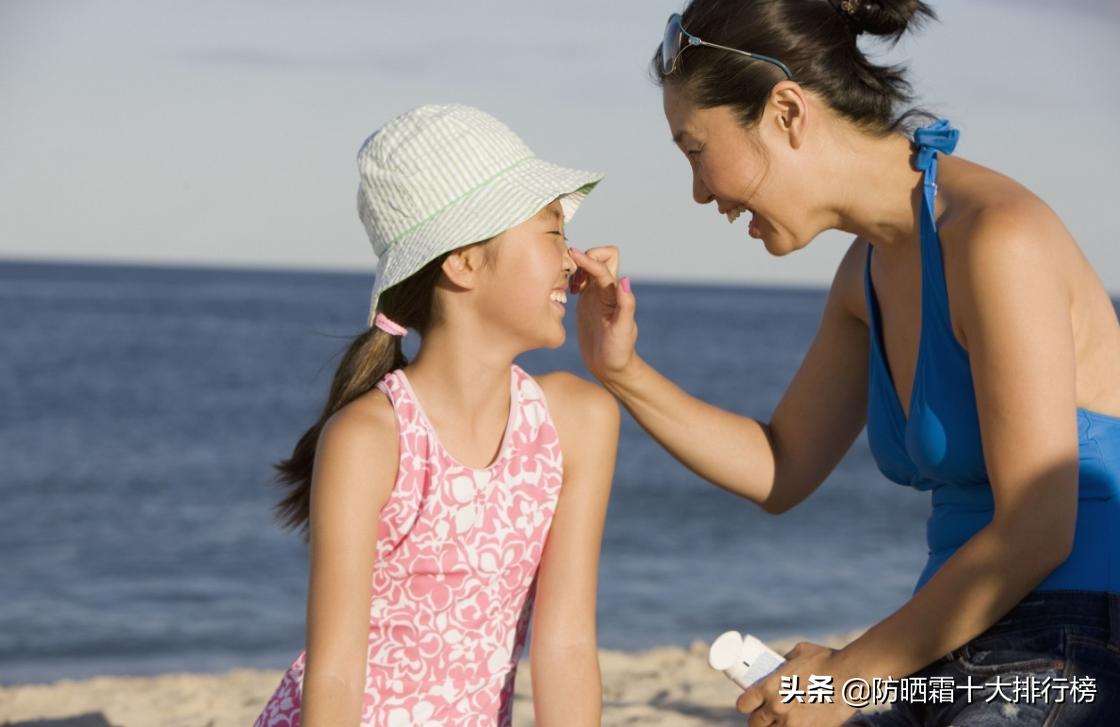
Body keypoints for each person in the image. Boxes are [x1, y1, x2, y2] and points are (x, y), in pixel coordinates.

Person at [567, 1, 1120, 725]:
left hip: (1073, 641)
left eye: (695, 149)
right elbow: (781, 465)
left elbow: (1038, 530)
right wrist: (622, 370)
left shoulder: (996, 239)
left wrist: (845, 676)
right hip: (953, 645)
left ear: (787, 112)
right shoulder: (867, 273)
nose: (700, 191)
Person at [253, 104, 619, 727]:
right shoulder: (369, 438)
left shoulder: (579, 421)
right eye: (552, 231)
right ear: (463, 261)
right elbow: (336, 674)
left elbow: (565, 646)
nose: (573, 258)